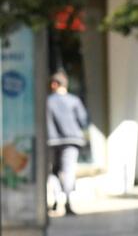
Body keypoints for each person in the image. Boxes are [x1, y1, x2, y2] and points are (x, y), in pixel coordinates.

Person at [46, 72, 88, 215]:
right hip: (72, 140)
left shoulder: (47, 101)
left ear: (54, 84)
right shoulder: (74, 100)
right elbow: (83, 121)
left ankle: (57, 199)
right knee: (69, 171)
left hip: (52, 141)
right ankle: (68, 201)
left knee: (53, 171)